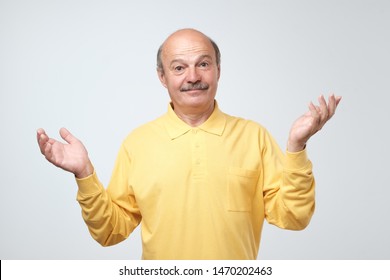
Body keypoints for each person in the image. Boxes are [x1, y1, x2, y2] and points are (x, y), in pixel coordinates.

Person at [37, 28, 341, 260]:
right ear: (162, 76)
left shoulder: (254, 137)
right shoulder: (137, 144)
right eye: (179, 67)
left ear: (218, 70)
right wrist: (84, 174)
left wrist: (296, 148)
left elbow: (293, 217)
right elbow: (109, 231)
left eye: (203, 64)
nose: (193, 77)